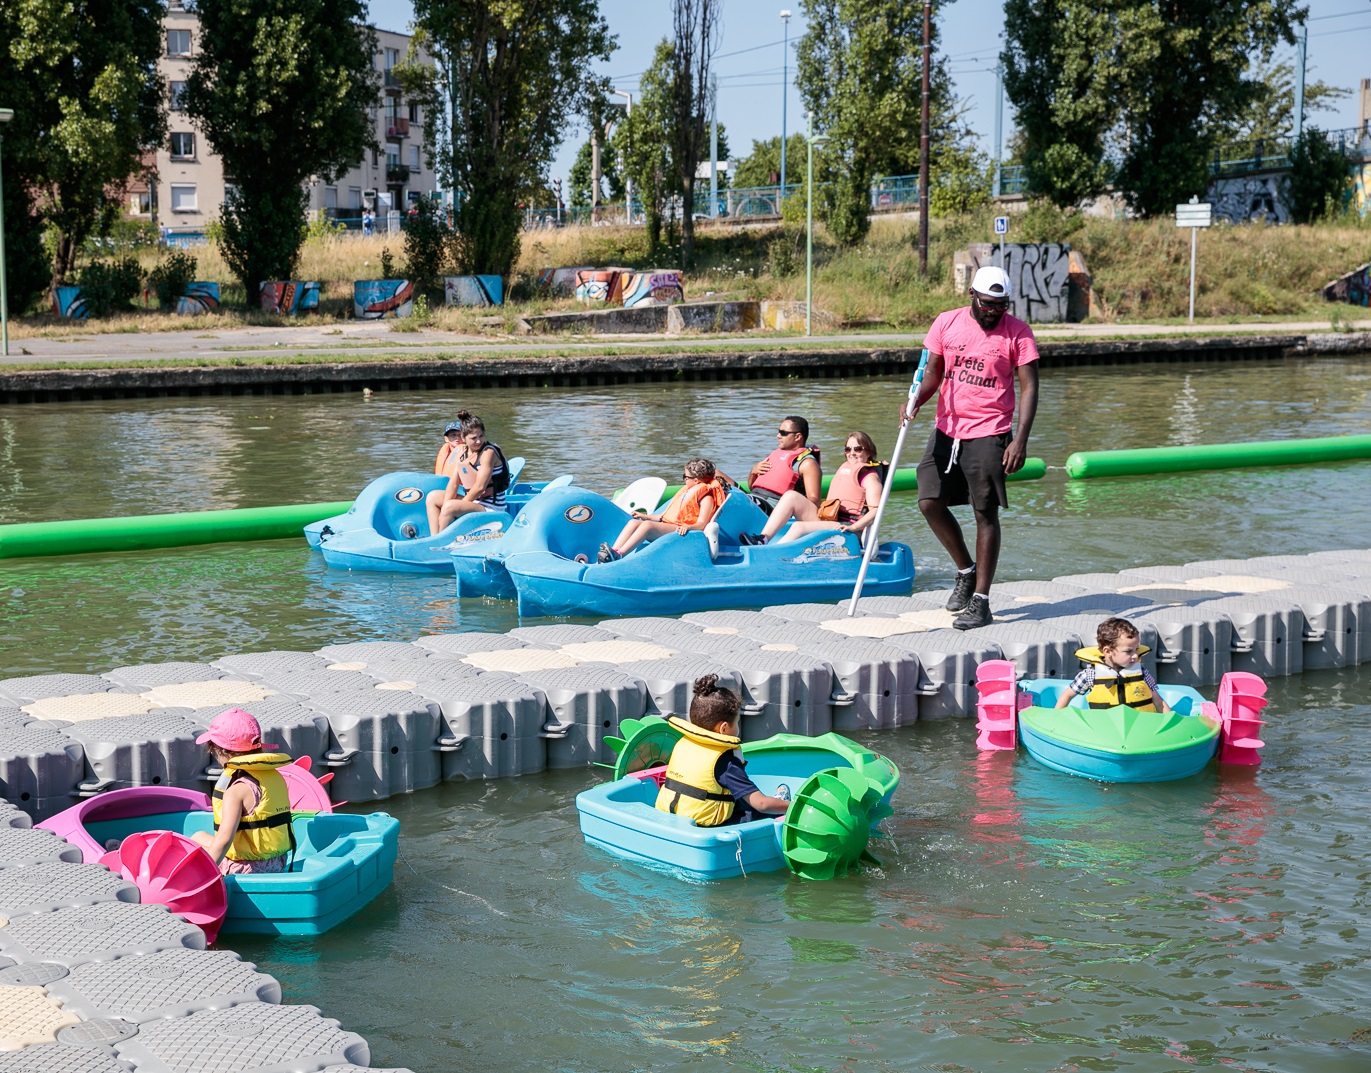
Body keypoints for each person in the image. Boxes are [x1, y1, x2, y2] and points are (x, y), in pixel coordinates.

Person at [900, 265, 1040, 631]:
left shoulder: (1018, 333)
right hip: (948, 428)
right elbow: (932, 372)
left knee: (985, 513)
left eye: (1001, 305)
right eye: (988, 303)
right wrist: (916, 400)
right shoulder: (946, 323)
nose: (995, 310)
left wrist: (1020, 439)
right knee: (929, 499)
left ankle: (981, 600)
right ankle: (965, 569)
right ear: (972, 296)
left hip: (990, 432)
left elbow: (1029, 388)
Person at [655, 675, 792, 826]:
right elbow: (761, 803)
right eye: (737, 723)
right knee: (759, 810)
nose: (738, 728)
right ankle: (782, 801)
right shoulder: (725, 762)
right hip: (708, 824)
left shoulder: (683, 743)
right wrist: (792, 807)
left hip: (673, 815)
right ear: (724, 728)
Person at [189, 708, 295, 875]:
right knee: (198, 836)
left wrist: (205, 874)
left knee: (190, 847)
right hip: (277, 862)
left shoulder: (236, 791)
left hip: (246, 869)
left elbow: (224, 839)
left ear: (221, 751)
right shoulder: (271, 776)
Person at [740, 431, 884, 546]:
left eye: (857, 449)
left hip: (848, 527)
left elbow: (877, 510)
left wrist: (854, 528)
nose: (851, 453)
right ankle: (763, 538)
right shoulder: (847, 469)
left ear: (869, 451)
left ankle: (772, 555)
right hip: (831, 519)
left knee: (798, 527)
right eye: (848, 449)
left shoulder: (869, 478)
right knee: (791, 496)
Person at [598, 458, 725, 562]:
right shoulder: (687, 492)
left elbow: (702, 524)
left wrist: (688, 527)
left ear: (696, 480)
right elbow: (664, 517)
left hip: (686, 533)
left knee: (647, 526)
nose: (684, 480)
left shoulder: (706, 497)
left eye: (685, 477)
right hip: (673, 527)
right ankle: (613, 552)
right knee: (633, 523)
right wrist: (645, 516)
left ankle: (620, 554)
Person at [1056, 617, 1171, 713]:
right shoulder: (1090, 675)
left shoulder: (1142, 673)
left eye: (1136, 649)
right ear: (1108, 651)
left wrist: (1170, 722)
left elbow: (1158, 701)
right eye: (1128, 651)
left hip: (1139, 727)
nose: (1135, 656)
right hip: (1105, 730)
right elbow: (1067, 695)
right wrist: (1056, 717)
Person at [427, 410, 509, 536]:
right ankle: (434, 538)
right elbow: (453, 484)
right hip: (474, 503)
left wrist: (458, 504)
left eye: (481, 436)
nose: (478, 441)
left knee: (450, 507)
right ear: (463, 438)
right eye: (473, 438)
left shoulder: (488, 453)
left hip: (491, 508)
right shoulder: (462, 453)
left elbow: (479, 487)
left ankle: (440, 542)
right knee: (433, 497)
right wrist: (446, 505)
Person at [744, 416, 823, 513]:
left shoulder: (807, 464)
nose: (778, 435)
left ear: (797, 437)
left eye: (783, 433)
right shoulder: (775, 455)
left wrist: (790, 508)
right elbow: (752, 487)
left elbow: (814, 500)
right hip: (754, 498)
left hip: (773, 508)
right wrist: (753, 472)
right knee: (719, 477)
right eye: (778, 431)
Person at [421, 419, 465, 537]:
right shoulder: (446, 453)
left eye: (460, 434)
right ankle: (434, 537)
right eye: (453, 435)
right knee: (431, 496)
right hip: (449, 492)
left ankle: (438, 538)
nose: (457, 438)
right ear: (446, 439)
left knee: (436, 499)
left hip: (463, 494)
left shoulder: (466, 452)